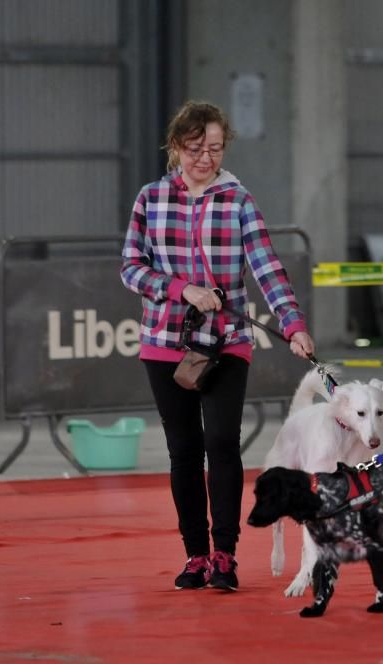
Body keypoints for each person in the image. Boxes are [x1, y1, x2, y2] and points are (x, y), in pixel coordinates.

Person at [120, 100, 316, 591]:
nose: (204, 158)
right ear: (175, 148)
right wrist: (180, 289)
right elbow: (130, 267)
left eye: (214, 148)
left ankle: (225, 555)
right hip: (165, 341)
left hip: (227, 340)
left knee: (222, 443)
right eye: (194, 148)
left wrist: (292, 326)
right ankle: (195, 555)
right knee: (183, 450)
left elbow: (267, 268)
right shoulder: (151, 199)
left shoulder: (238, 200)